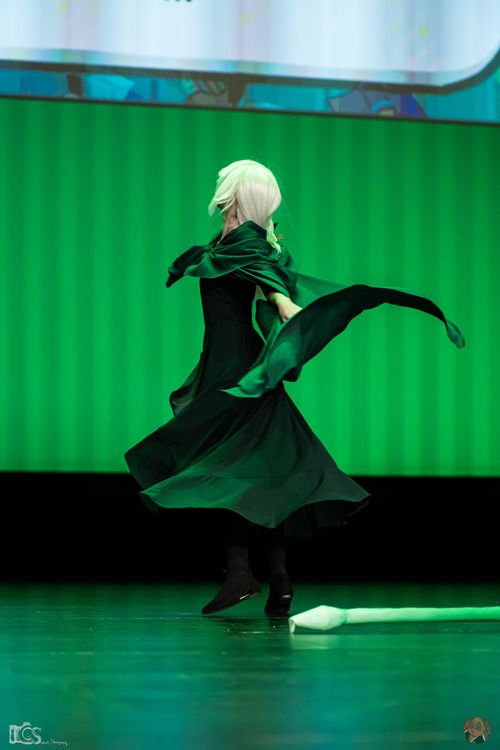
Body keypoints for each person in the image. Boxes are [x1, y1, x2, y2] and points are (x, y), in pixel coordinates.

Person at [124, 159, 464, 617]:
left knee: (235, 467)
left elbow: (275, 293)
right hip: (226, 364)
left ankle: (241, 573)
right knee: (264, 471)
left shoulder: (247, 244)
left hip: (237, 370)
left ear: (236, 193)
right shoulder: (230, 241)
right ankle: (277, 580)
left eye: (225, 184)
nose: (219, 190)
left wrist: (295, 314)